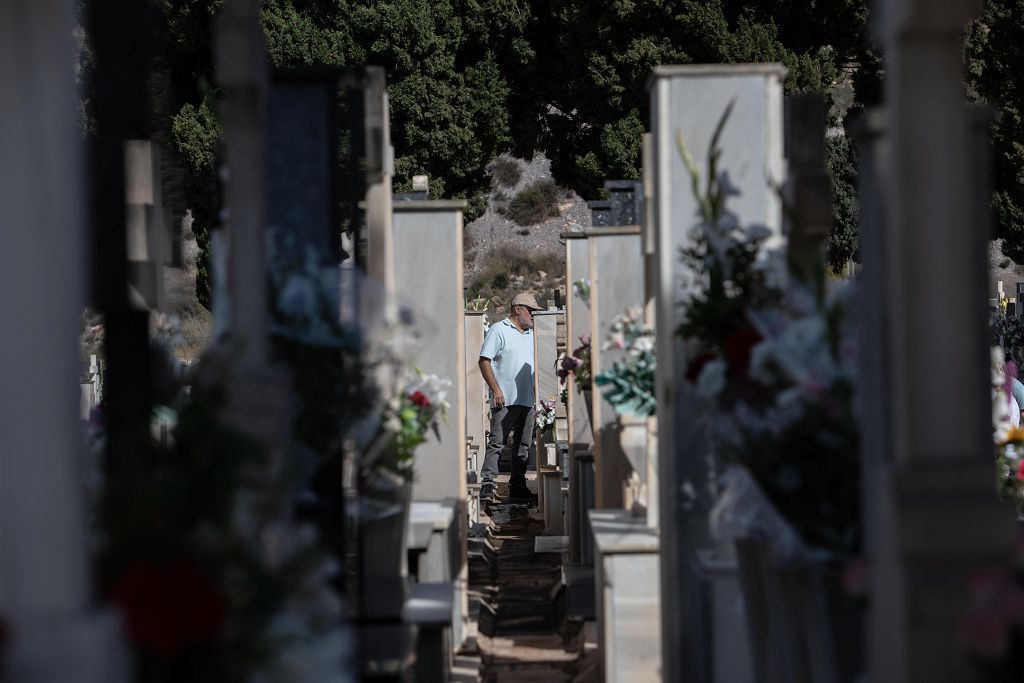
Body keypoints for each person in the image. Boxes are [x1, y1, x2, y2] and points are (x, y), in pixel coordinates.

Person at [478, 292, 541, 501]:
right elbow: (484, 360)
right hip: (504, 399)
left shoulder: (532, 335)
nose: (533, 316)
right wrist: (496, 389)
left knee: (523, 445)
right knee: (497, 442)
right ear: (518, 309)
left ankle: (518, 485)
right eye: (531, 311)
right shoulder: (499, 330)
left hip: (527, 399)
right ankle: (488, 483)